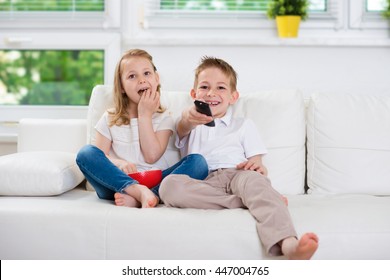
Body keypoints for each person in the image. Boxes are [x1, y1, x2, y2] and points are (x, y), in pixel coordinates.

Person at [159, 56, 319, 259]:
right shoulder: (190, 123)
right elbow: (183, 124)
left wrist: (256, 167)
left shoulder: (244, 125)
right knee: (169, 186)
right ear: (194, 93)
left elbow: (258, 164)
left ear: (234, 96)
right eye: (205, 87)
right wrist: (189, 115)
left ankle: (289, 244)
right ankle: (250, 202)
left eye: (221, 88)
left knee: (256, 183)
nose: (211, 93)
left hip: (238, 174)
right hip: (203, 180)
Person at [76, 49, 208, 208]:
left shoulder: (165, 118)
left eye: (146, 73)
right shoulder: (109, 117)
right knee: (85, 153)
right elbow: (100, 155)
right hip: (116, 183)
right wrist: (119, 163)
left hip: (156, 180)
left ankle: (150, 194)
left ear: (156, 79)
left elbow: (151, 156)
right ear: (122, 86)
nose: (141, 80)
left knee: (198, 163)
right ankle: (138, 192)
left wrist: (144, 115)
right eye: (132, 76)